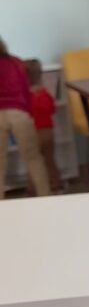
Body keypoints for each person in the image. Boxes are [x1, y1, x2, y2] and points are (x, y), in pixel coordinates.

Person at [0, 37, 50, 198]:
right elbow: (25, 89)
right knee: (33, 159)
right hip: (19, 113)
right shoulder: (15, 62)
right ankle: (45, 196)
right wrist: (29, 112)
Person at [24, 59, 62, 194]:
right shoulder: (45, 94)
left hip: (34, 133)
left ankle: (32, 188)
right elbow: (52, 110)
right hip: (48, 133)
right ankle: (57, 184)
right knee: (50, 160)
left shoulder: (26, 97)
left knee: (34, 163)